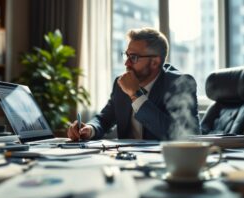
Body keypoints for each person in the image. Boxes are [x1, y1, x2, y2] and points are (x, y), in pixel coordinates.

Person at [67, 27, 200, 141]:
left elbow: (185, 136)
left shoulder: (180, 84)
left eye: (134, 58)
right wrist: (89, 129)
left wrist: (135, 95)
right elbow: (104, 119)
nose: (127, 64)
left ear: (155, 62)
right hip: (127, 161)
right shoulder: (121, 84)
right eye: (127, 56)